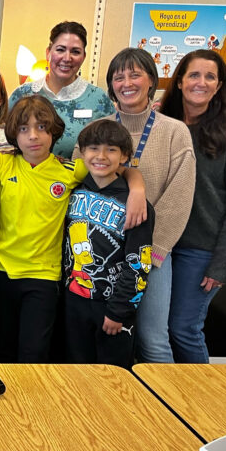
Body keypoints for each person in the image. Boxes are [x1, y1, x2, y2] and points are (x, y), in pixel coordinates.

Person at [0, 96, 145, 363]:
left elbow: (111, 166)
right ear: (13, 134)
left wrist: (137, 187)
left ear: (54, 131)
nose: (33, 136)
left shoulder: (70, 169)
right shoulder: (1, 163)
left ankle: (32, 405)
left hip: (43, 276)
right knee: (0, 350)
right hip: (0, 271)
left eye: (42, 128)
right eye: (24, 129)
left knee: (33, 353)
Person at [159, 49, 226, 362]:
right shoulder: (164, 124)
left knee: (183, 328)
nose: (201, 82)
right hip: (160, 245)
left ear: (219, 86)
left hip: (200, 249)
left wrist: (222, 264)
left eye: (210, 76)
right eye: (194, 75)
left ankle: (204, 401)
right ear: (179, 82)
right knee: (156, 331)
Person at [106, 47, 196, 363]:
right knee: (106, 334)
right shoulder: (100, 129)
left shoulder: (174, 131)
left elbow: (179, 198)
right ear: (111, 85)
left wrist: (153, 252)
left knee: (152, 340)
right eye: (119, 77)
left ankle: (168, 409)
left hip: (152, 254)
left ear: (151, 81)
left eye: (135, 74)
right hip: (104, 252)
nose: (127, 83)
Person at [63, 120, 155, 368]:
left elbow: (139, 263)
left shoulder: (136, 205)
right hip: (73, 303)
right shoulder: (71, 193)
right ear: (82, 153)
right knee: (74, 370)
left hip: (113, 309)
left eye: (112, 149)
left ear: (125, 156)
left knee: (114, 376)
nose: (101, 156)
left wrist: (119, 311)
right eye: (93, 148)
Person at [7, 21, 114, 157]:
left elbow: (113, 148)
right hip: (27, 176)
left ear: (83, 57)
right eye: (60, 50)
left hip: (79, 177)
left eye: (75, 52)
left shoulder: (99, 100)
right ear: (48, 53)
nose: (67, 58)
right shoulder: (22, 94)